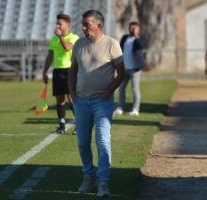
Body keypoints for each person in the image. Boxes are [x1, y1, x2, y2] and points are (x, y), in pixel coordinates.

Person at [69, 10, 125, 197]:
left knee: (102, 141)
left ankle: (103, 182)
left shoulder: (112, 44)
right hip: (81, 102)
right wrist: (73, 95)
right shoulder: (79, 44)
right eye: (83, 24)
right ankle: (88, 176)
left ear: (98, 25)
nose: (84, 28)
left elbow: (121, 73)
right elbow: (72, 71)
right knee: (83, 143)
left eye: (87, 25)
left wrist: (108, 92)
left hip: (103, 103)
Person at [42, 14, 79, 134]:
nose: (57, 25)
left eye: (60, 23)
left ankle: (79, 125)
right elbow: (50, 56)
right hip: (57, 71)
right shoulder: (54, 39)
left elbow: (67, 48)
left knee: (72, 99)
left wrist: (60, 37)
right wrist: (45, 71)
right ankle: (61, 125)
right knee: (59, 99)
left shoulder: (74, 37)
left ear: (67, 24)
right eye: (57, 23)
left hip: (70, 71)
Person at [113, 21, 146, 116]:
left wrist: (136, 35)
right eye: (131, 28)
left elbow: (141, 45)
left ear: (138, 29)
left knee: (135, 89)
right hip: (124, 68)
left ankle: (136, 109)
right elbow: (119, 49)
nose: (132, 30)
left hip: (135, 69)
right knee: (121, 89)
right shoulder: (125, 38)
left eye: (134, 28)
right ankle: (120, 108)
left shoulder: (140, 38)